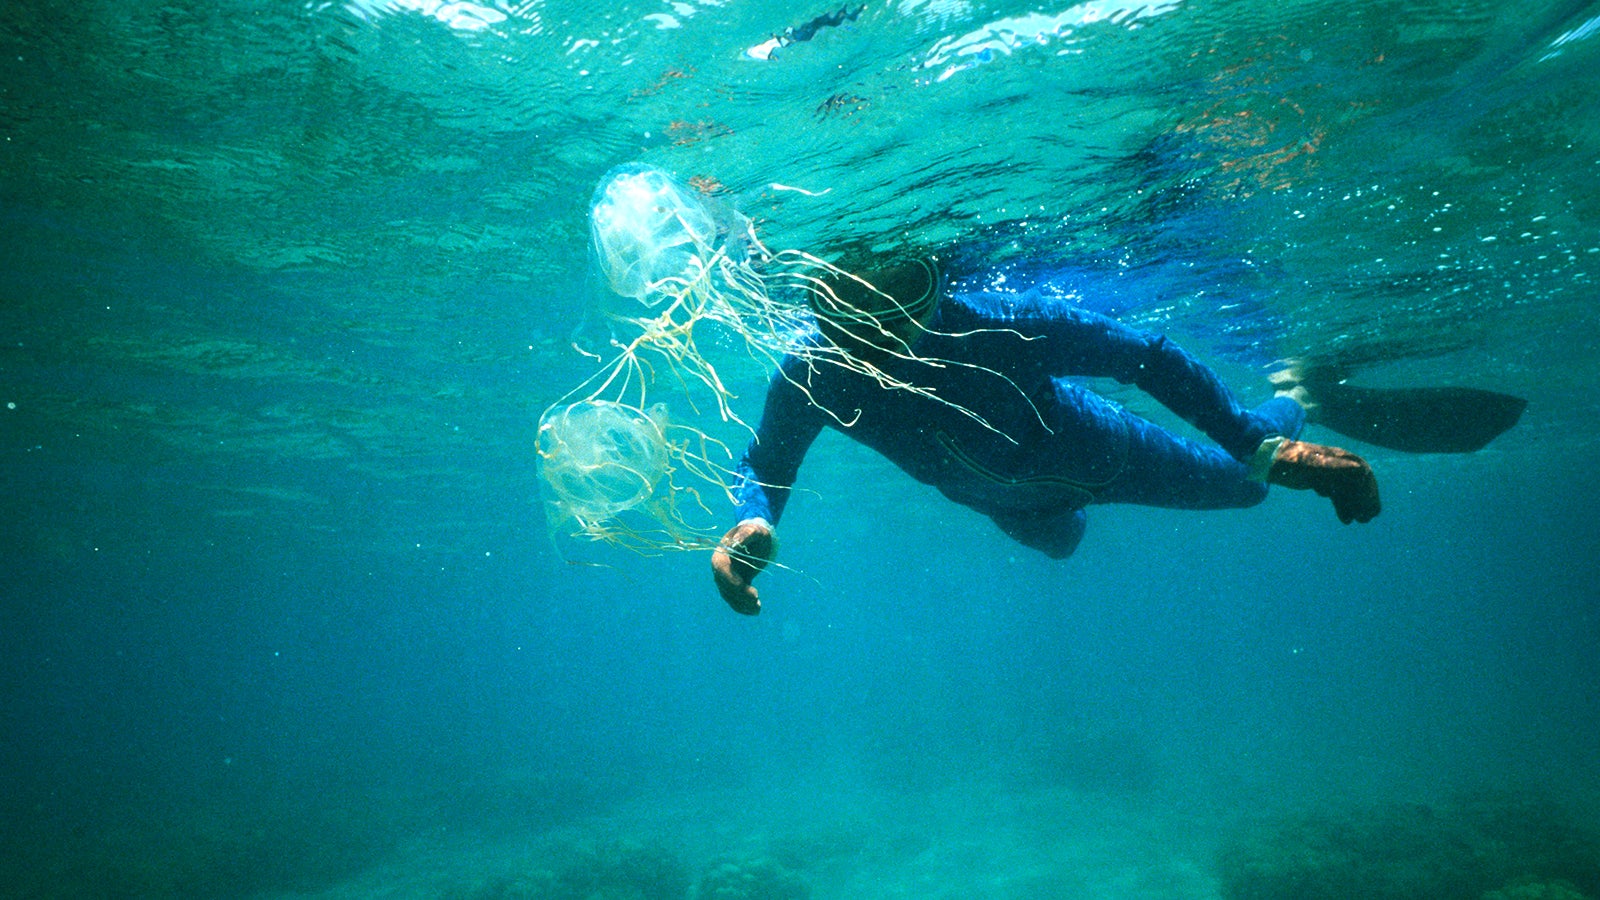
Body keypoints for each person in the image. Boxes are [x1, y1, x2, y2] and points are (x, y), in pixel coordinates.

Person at [710, 254, 1380, 615]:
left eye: (900, 288)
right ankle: (1264, 434)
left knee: (1248, 487)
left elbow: (1145, 354)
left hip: (1109, 455)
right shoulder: (812, 374)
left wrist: (1252, 443)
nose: (881, 323)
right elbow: (767, 463)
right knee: (1062, 544)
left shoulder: (999, 322)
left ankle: (1295, 397)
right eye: (851, 302)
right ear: (817, 300)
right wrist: (749, 524)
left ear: (935, 279)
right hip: (1014, 509)